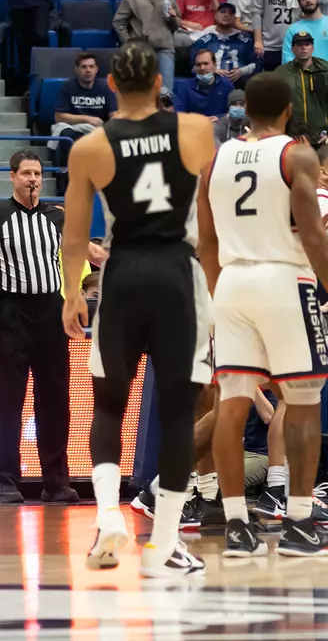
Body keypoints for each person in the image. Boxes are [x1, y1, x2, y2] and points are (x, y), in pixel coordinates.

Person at [58, 43, 218, 575]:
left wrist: (72, 294)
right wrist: (213, 283)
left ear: (109, 86)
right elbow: (209, 222)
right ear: (157, 82)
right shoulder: (195, 130)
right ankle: (163, 544)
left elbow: (75, 238)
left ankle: (108, 518)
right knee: (176, 413)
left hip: (124, 274)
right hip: (177, 272)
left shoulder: (90, 147)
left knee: (107, 405)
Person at [194, 71, 328, 560]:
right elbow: (313, 236)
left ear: (245, 112)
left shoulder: (214, 162)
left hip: (232, 282)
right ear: (288, 111)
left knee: (233, 402)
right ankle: (301, 523)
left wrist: (215, 297)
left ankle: (238, 526)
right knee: (304, 402)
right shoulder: (297, 154)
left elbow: (207, 243)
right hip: (284, 279)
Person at [0, 152, 73, 505]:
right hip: (11, 315)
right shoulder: (0, 215)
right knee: (7, 401)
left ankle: (57, 482)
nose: (32, 179)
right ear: (12, 177)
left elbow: (83, 251)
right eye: (26, 173)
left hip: (50, 314)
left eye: (38, 173)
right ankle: (5, 480)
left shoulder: (56, 216)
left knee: (56, 401)